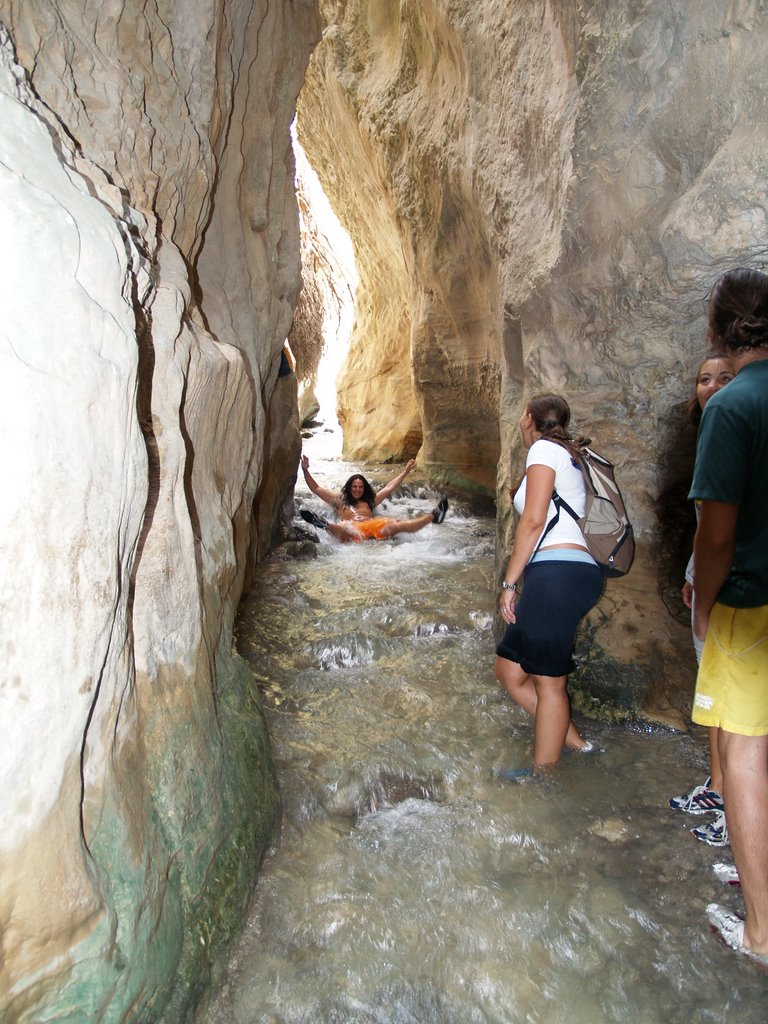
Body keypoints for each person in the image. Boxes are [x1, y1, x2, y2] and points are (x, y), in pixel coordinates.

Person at [688, 267, 768, 964]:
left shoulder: (732, 407)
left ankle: (761, 929)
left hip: (753, 603)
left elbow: (716, 535)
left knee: (743, 753)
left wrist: (706, 607)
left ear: (719, 329)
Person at [494, 394, 604, 775]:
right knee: (509, 670)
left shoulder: (544, 450)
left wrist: (510, 583)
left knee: (548, 681)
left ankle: (544, 774)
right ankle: (576, 744)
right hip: (554, 573)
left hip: (560, 571)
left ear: (527, 419)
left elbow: (534, 521)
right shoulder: (565, 452)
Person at [668, 353, 734, 847]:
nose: (710, 387)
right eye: (703, 379)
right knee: (713, 700)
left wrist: (707, 593)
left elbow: (724, 533)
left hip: (735, 592)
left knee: (735, 708)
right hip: (710, 583)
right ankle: (718, 786)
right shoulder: (711, 438)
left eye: (723, 378)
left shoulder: (737, 432)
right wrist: (694, 575)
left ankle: (740, 809)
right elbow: (705, 527)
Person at [298, 455, 448, 542]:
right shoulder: (339, 501)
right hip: (352, 528)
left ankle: (433, 516)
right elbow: (316, 489)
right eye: (355, 487)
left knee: (395, 525)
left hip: (372, 526)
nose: (357, 490)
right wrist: (305, 470)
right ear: (349, 487)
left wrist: (405, 472)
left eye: (360, 487)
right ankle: (323, 524)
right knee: (345, 529)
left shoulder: (370, 501)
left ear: (364, 489)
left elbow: (389, 487)